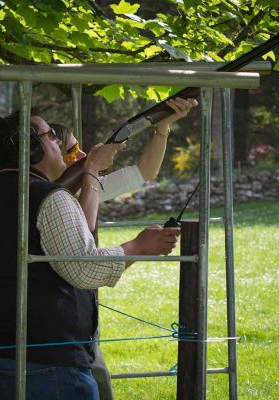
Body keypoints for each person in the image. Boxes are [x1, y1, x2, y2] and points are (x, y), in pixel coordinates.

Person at [0, 110, 181, 399]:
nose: (58, 144)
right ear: (32, 146)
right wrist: (138, 246)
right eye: (50, 137)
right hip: (45, 365)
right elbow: (84, 270)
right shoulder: (51, 197)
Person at [50, 97, 198, 399]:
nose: (81, 154)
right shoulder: (58, 195)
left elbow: (144, 172)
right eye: (70, 150)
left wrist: (162, 128)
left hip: (77, 320)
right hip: (56, 325)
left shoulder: (86, 186)